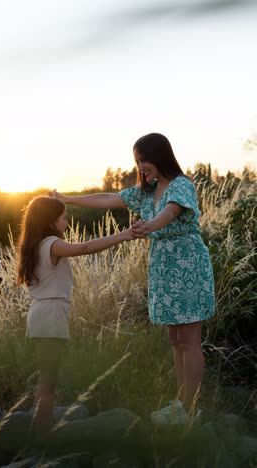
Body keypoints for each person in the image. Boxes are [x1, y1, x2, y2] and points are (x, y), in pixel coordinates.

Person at [50, 132, 215, 418]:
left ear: (159, 156)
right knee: (175, 338)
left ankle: (191, 410)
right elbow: (109, 198)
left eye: (143, 160)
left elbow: (172, 212)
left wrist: (150, 225)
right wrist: (68, 199)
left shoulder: (182, 185)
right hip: (164, 268)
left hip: (188, 266)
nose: (140, 167)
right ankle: (181, 403)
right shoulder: (147, 190)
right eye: (137, 162)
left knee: (189, 339)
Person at [16, 196, 134, 435]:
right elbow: (85, 248)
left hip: (41, 311)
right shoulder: (51, 244)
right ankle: (43, 432)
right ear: (50, 221)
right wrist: (125, 234)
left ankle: (40, 426)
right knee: (49, 378)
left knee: (46, 375)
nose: (68, 222)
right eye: (64, 217)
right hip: (51, 314)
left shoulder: (35, 244)